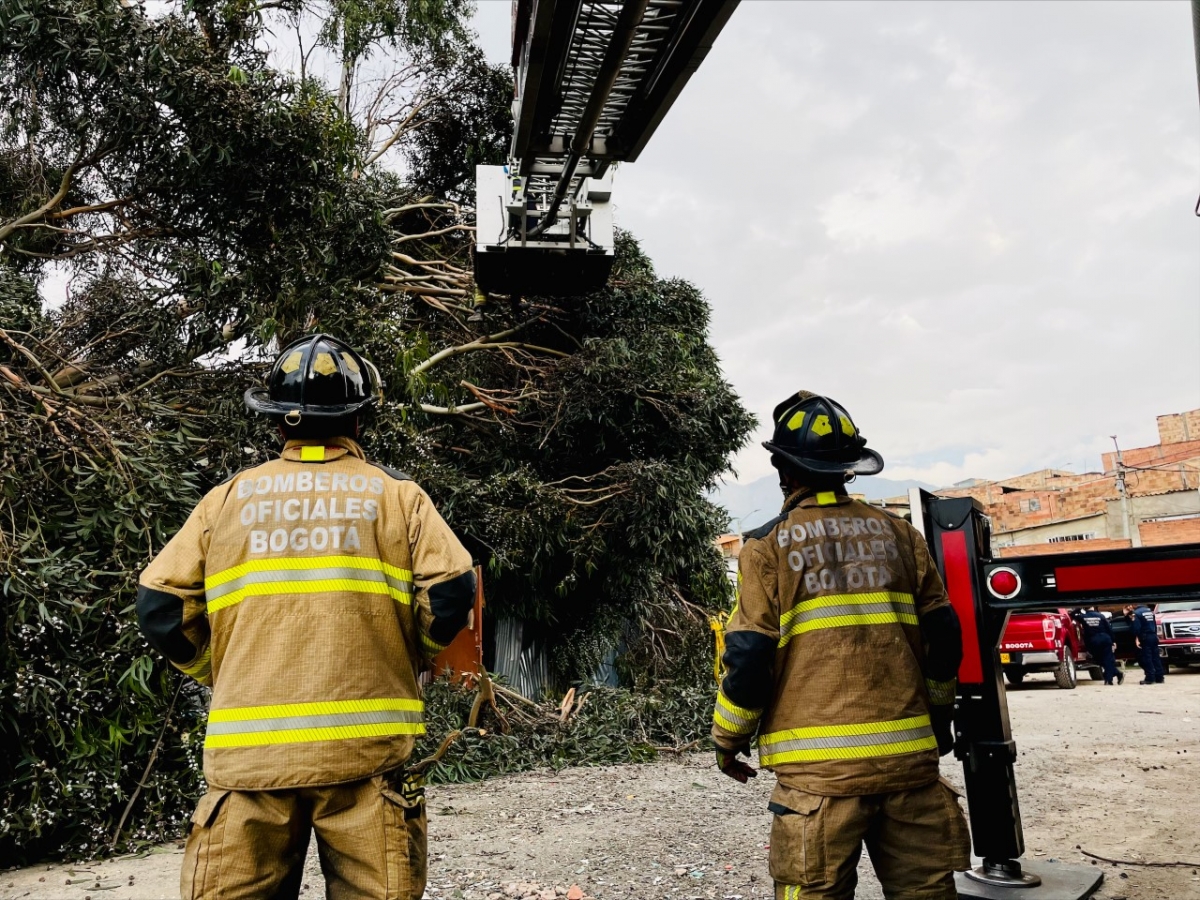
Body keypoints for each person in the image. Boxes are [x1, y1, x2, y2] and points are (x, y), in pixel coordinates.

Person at [136, 334, 477, 900]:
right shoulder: (398, 497)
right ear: (360, 419)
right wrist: (408, 649)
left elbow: (160, 605)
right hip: (366, 759)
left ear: (276, 423)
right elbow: (450, 592)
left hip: (249, 767)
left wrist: (215, 668)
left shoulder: (226, 501)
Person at [711, 391, 971, 900]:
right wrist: (937, 721)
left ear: (782, 469)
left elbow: (749, 655)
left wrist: (727, 739)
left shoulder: (766, 548)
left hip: (818, 785)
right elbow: (943, 638)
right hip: (911, 772)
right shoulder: (901, 536)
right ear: (851, 468)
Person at [1073, 606, 1123, 685]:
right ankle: (1116, 674)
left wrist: (1078, 608)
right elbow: (1109, 629)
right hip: (1105, 639)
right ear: (1093, 607)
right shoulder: (1101, 616)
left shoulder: (1083, 617)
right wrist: (1113, 640)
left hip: (1093, 642)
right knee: (1107, 660)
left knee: (1098, 660)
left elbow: (1072, 615)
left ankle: (1109, 679)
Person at [1124, 603, 1165, 685]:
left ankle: (1150, 678)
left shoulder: (1136, 613)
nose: (1130, 606)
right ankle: (1159, 677)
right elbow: (1154, 624)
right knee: (1155, 657)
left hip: (1145, 637)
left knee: (1147, 658)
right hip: (1153, 635)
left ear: (1134, 604)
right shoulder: (1150, 612)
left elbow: (1136, 628)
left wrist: (1136, 636)